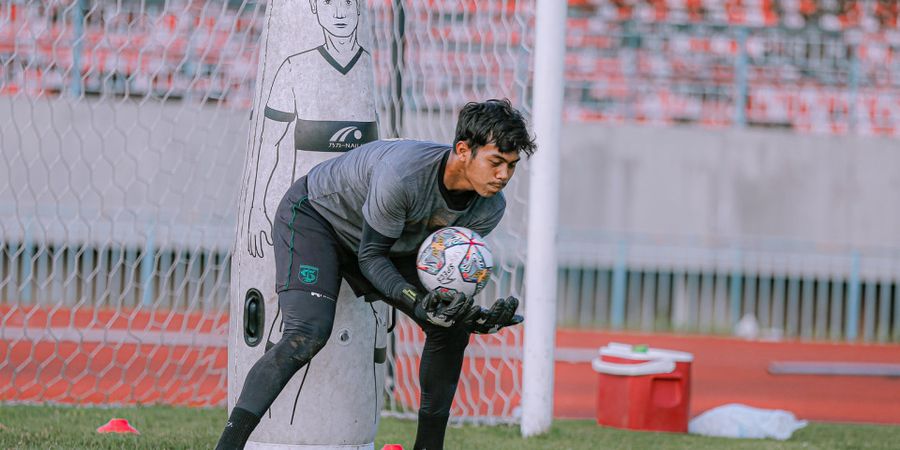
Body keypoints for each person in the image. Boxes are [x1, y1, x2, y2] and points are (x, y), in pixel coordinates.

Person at [216, 99, 536, 450]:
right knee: (306, 334)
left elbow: (436, 269)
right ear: (463, 150)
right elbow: (372, 257)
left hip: (387, 245)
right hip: (317, 219)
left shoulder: (491, 206)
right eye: (495, 162)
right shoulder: (405, 175)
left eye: (511, 165)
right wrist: (418, 303)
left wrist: (469, 314)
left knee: (450, 329)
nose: (504, 175)